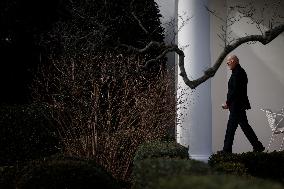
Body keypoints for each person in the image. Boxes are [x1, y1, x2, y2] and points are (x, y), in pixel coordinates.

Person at [221, 55, 265, 153]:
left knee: (230, 129)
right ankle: (258, 146)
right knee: (245, 127)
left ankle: (226, 151)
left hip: (236, 106)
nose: (227, 64)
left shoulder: (238, 73)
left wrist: (227, 102)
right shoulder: (238, 72)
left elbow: (235, 90)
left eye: (228, 61)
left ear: (233, 61)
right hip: (238, 106)